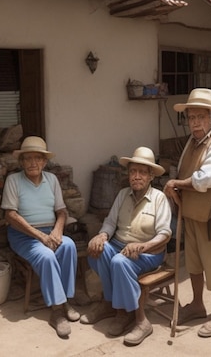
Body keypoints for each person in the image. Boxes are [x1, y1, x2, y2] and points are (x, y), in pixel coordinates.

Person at [80, 146, 173, 346]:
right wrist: (102, 235)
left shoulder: (159, 198)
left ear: (150, 176)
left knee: (120, 262)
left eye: (142, 172)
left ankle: (136, 318)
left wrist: (143, 246)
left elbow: (165, 234)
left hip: (149, 253)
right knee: (97, 251)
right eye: (133, 171)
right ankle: (109, 303)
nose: (136, 176)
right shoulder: (123, 194)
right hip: (119, 245)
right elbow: (111, 222)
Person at [163, 88, 211, 338]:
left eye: (200, 117)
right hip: (192, 210)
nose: (194, 123)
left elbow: (205, 179)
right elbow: (184, 170)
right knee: (193, 262)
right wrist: (176, 187)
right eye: (191, 118)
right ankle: (197, 305)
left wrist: (178, 185)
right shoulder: (194, 142)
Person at [0, 136, 80, 338]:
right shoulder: (14, 180)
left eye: (38, 158)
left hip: (49, 231)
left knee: (69, 246)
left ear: (45, 162)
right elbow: (10, 215)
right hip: (23, 235)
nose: (33, 163)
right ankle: (57, 312)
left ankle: (64, 299)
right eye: (28, 158)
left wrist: (57, 231)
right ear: (22, 162)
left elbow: (61, 210)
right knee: (46, 256)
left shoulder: (51, 180)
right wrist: (40, 236)